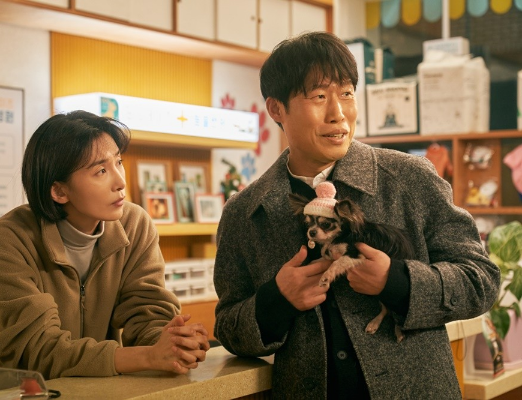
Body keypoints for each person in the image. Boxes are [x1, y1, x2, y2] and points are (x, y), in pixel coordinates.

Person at [213, 31, 500, 399]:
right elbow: (228, 325)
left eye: (347, 94)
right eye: (319, 97)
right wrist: (277, 300)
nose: (338, 113)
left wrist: (398, 282)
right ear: (276, 109)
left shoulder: (409, 179)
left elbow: (481, 280)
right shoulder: (245, 212)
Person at [0, 110, 210, 379]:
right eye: (101, 171)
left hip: (97, 387)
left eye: (118, 162)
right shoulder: (9, 238)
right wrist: (147, 356)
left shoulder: (134, 224)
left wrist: (172, 343)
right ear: (59, 191)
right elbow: (36, 351)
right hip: (15, 391)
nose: (120, 181)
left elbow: (146, 313)